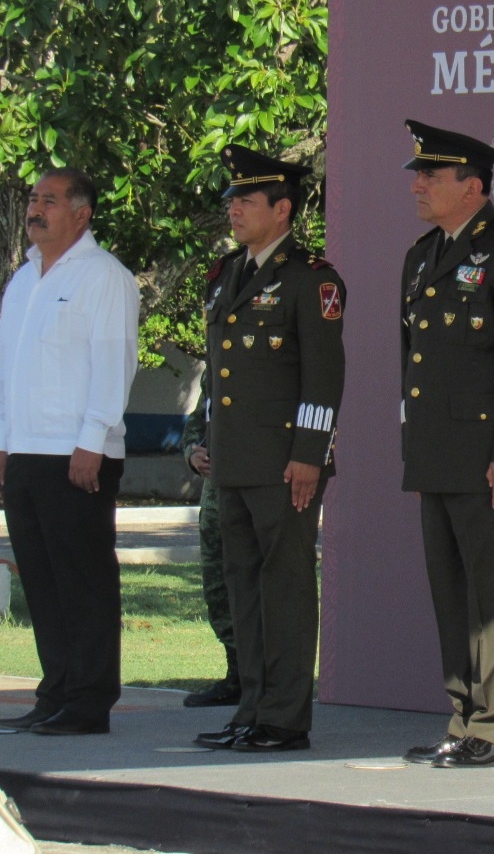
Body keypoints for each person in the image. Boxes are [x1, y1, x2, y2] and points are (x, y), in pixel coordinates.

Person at [398, 120, 494, 769]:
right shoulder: (421, 255)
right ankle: (462, 718)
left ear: (472, 185)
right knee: (451, 594)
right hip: (436, 455)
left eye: (431, 176)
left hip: (491, 458)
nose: (418, 186)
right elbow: (410, 360)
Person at [192, 146, 346, 753]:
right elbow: (221, 374)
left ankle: (283, 717)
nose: (233, 207)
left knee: (282, 589)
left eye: (246, 199)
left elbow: (324, 376)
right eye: (232, 198)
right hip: (233, 463)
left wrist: (309, 453)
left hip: (284, 465)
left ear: (282, 209)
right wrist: (207, 442)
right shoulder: (229, 273)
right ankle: (251, 708)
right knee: (244, 587)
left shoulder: (313, 278)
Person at [0, 167, 139, 736]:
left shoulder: (104, 276)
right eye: (32, 199)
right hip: (25, 451)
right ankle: (55, 691)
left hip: (77, 453)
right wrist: (0, 442)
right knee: (43, 581)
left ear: (81, 213)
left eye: (48, 200)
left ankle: (88, 700)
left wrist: (91, 440)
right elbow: (3, 367)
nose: (35, 209)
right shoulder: (24, 279)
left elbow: (113, 365)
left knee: (83, 579)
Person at [179, 374, 240, 707]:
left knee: (246, 581)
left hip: (248, 481)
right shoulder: (213, 367)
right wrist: (193, 453)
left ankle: (257, 676)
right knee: (216, 584)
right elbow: (197, 420)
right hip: (214, 491)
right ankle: (236, 672)